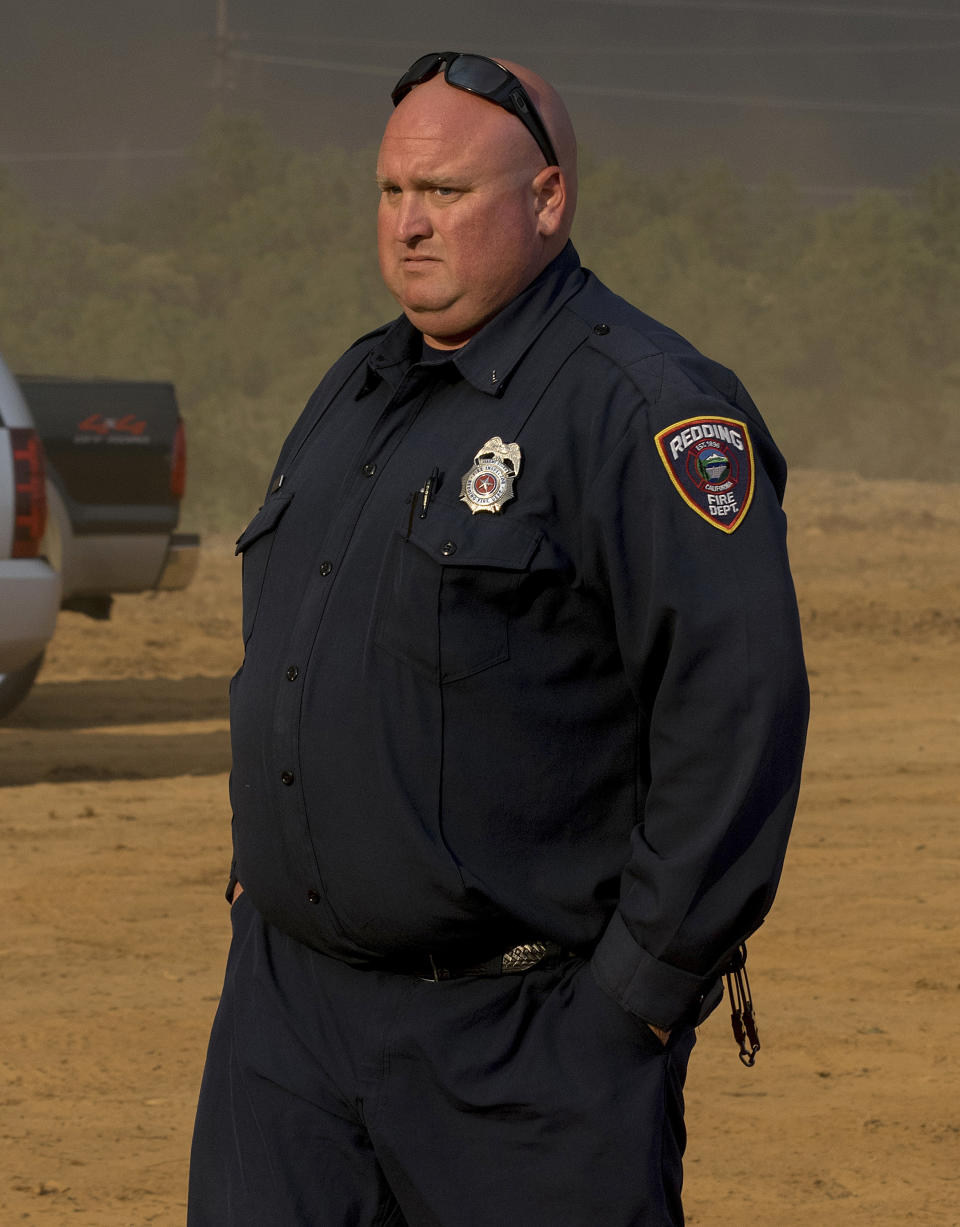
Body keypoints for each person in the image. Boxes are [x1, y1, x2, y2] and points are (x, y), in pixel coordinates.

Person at [188, 52, 808, 1227]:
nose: (409, 226)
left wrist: (638, 999)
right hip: (289, 1034)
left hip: (521, 1051)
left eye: (448, 194)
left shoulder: (646, 409)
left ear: (548, 198)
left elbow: (738, 712)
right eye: (390, 193)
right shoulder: (357, 387)